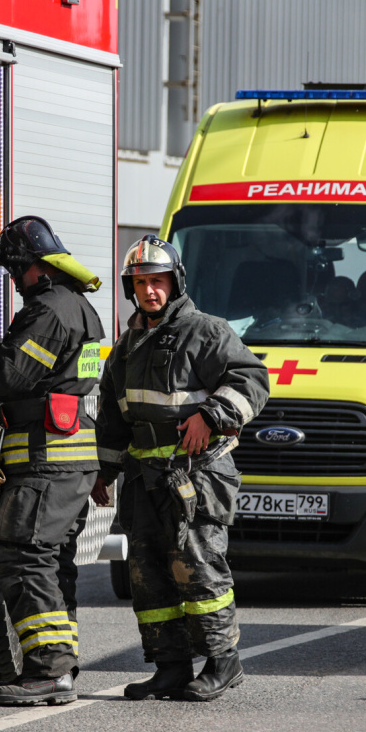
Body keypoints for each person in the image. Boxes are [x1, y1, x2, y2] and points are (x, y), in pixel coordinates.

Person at [93, 236, 270, 702]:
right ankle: (170, 667)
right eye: (141, 283)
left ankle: (223, 662)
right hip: (144, 478)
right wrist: (104, 471)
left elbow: (252, 380)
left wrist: (210, 415)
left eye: (158, 281)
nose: (150, 290)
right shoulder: (127, 346)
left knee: (198, 567)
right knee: (147, 574)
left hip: (196, 474)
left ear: (175, 283)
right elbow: (112, 413)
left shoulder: (206, 331)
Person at [0, 216, 105, 706]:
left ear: (36, 266)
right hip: (68, 460)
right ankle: (60, 666)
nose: (14, 281)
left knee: (24, 556)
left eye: (15, 271)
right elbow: (23, 360)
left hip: (46, 462)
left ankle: (48, 670)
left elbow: (11, 371)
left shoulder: (49, 310)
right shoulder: (79, 306)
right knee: (53, 563)